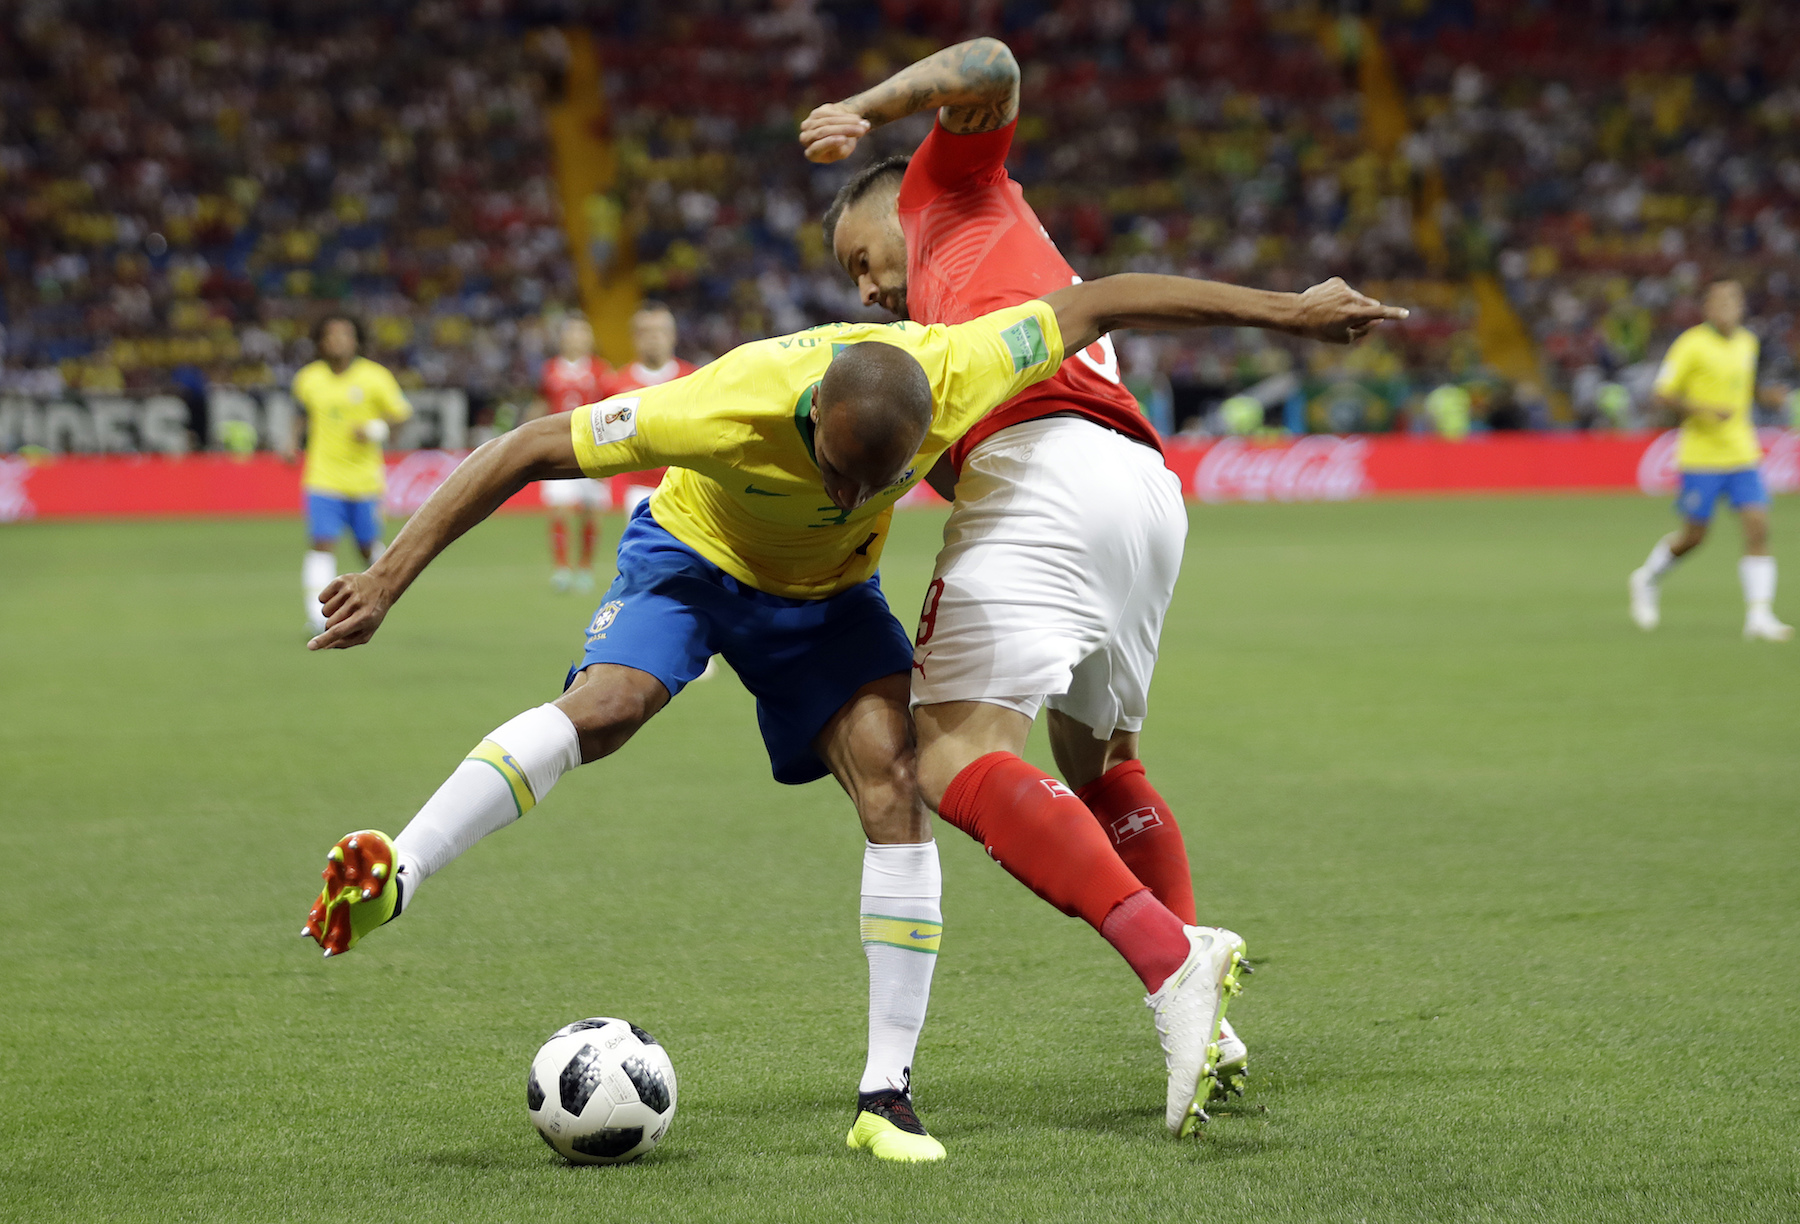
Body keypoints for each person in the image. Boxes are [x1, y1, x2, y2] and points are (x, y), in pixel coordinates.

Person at [297, 275, 1400, 1160]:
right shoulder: (719, 402)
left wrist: (1290, 313)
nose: (846, 495)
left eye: (873, 484)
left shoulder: (960, 363)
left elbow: (1103, 299)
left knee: (898, 783)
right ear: (815, 413)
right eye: (834, 470)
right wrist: (387, 578)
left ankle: (885, 1096)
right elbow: (527, 445)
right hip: (693, 563)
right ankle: (402, 871)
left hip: (827, 603)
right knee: (612, 704)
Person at [802, 37, 1401, 1132]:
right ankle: (1206, 1015)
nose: (870, 286)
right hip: (1139, 490)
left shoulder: (945, 189)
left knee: (952, 754)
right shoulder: (951, 333)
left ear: (898, 205)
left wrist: (867, 106)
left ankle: (1171, 961)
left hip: (1047, 470)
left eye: (861, 257)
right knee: (1101, 762)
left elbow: (991, 62)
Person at [1629, 280, 1790, 641]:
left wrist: (1766, 396)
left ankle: (1759, 615)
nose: (1727, 309)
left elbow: (1742, 388)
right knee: (1694, 536)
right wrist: (1703, 409)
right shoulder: (1691, 344)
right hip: (1701, 456)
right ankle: (1647, 578)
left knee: (1758, 527)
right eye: (1720, 303)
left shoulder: (1748, 342)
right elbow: (1662, 394)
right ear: (1708, 308)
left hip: (1742, 452)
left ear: (1742, 307)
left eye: (1733, 302)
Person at [289, 314, 412, 634]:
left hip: (364, 480)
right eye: (331, 335)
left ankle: (385, 597)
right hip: (322, 477)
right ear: (320, 342)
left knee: (367, 547)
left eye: (345, 334)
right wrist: (291, 442)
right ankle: (318, 617)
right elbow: (301, 414)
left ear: (356, 340)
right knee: (321, 543)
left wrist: (375, 428)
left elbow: (401, 416)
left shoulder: (375, 377)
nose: (338, 341)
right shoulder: (308, 378)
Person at [533, 317, 614, 593]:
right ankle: (561, 569)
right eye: (572, 333)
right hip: (558, 449)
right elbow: (541, 404)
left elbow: (611, 409)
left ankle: (585, 569)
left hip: (593, 451)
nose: (577, 338)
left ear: (589, 339)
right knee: (559, 509)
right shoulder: (550, 370)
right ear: (563, 338)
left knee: (591, 512)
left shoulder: (600, 370)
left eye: (582, 333)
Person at [602, 301, 698, 517]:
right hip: (640, 488)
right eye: (646, 332)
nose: (654, 338)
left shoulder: (693, 380)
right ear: (634, 337)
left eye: (660, 331)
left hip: (687, 486)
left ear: (673, 335)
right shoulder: (618, 385)